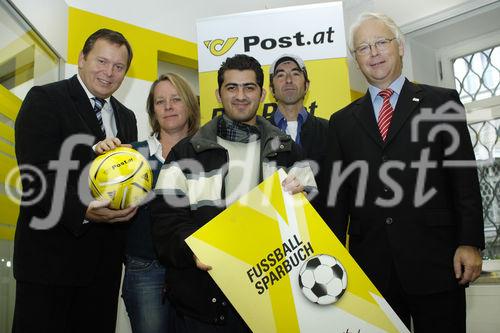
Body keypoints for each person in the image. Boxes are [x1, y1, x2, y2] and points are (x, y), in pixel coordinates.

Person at [321, 12, 484, 332]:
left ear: (400, 47)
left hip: (438, 262)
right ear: (356, 61)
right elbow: (335, 199)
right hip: (370, 270)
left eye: (381, 42)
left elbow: (463, 179)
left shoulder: (442, 103)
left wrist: (470, 242)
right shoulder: (340, 122)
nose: (374, 52)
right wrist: (331, 261)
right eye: (363, 48)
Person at [150, 54, 316, 332]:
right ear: (218, 94)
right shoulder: (186, 152)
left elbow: (313, 218)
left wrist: (305, 197)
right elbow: (164, 223)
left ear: (263, 94)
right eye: (232, 88)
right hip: (203, 304)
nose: (240, 96)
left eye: (249, 87)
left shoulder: (289, 150)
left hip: (272, 301)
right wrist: (193, 251)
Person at [13, 28, 138, 332]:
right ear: (82, 59)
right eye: (101, 61)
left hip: (102, 271)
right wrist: (83, 209)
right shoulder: (45, 99)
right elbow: (35, 176)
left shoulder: (127, 117)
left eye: (118, 67)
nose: (109, 73)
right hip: (49, 265)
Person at [120, 73, 200, 332]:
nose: (168, 107)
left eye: (176, 99)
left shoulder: (208, 153)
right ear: (153, 111)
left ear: (190, 104)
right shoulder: (130, 155)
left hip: (195, 268)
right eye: (160, 101)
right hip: (145, 268)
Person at [267, 54, 328, 171]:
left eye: (295, 74)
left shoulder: (329, 130)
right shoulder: (260, 134)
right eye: (280, 75)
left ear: (306, 85)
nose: (288, 80)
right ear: (271, 89)